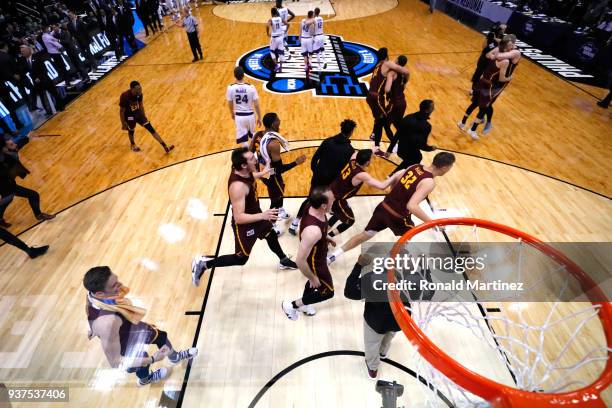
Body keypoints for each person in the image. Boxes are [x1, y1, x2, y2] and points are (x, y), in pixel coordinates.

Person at [191, 148, 298, 287]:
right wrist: (263, 215)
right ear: (243, 165)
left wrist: (263, 172)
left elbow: (251, 175)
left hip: (256, 214)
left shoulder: (243, 169)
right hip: (245, 223)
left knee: (270, 234)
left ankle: (283, 260)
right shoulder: (238, 187)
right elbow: (239, 218)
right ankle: (204, 264)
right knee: (241, 259)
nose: (255, 158)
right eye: (251, 158)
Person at [328, 152, 456, 264]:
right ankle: (387, 262)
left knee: (364, 234)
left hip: (383, 207)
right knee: (408, 235)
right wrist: (432, 223)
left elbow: (395, 180)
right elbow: (411, 206)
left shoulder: (415, 166)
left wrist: (394, 194)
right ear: (445, 167)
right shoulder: (429, 182)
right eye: (451, 167)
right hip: (397, 216)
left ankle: (333, 256)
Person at [83, 266, 198, 386]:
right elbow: (115, 362)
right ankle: (145, 380)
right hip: (123, 342)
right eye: (114, 285)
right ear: (100, 294)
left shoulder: (91, 294)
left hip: (129, 327)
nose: (120, 285)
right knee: (143, 361)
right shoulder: (108, 322)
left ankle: (175, 357)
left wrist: (91, 326)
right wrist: (153, 359)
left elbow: (88, 306)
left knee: (161, 336)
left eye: (117, 280)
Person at [344, 254, 414, 379]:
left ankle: (373, 367)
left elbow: (349, 291)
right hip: (399, 320)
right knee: (389, 335)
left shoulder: (371, 279)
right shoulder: (409, 279)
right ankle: (382, 353)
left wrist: (358, 265)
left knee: (372, 344)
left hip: (376, 321)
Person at [289, 119, 356, 235]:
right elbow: (345, 170)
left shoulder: (328, 141)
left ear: (341, 129)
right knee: (327, 202)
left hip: (318, 176)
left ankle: (294, 223)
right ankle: (321, 226)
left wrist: (316, 171)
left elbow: (315, 158)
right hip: (331, 182)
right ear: (351, 132)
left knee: (310, 199)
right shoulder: (349, 150)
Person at [281, 187, 335, 319]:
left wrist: (324, 237)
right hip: (315, 262)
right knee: (328, 292)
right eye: (332, 200)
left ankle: (305, 304)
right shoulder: (313, 232)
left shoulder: (311, 205)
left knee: (314, 284)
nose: (334, 201)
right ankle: (292, 305)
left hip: (318, 252)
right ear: (323, 206)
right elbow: (300, 261)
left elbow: (313, 232)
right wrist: (312, 277)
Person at [250, 112, 306, 235]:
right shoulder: (274, 143)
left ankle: (280, 210)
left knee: (279, 190)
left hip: (261, 170)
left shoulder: (258, 135)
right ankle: (271, 225)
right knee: (275, 198)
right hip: (271, 174)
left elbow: (250, 152)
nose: (279, 121)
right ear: (272, 123)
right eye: (277, 120)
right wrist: (296, 162)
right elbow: (279, 169)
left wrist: (255, 169)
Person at [328, 149, 404, 237]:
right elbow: (382, 186)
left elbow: (357, 153)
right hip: (337, 199)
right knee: (350, 220)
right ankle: (328, 237)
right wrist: (395, 174)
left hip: (332, 190)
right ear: (367, 162)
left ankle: (326, 229)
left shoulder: (353, 160)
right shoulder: (361, 175)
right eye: (371, 159)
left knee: (340, 214)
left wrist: (371, 150)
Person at [459, 35, 520, 139]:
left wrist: (494, 54)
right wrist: (510, 78)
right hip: (492, 84)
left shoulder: (501, 51)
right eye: (510, 45)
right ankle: (473, 129)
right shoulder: (504, 60)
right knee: (484, 107)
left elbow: (488, 54)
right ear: (506, 46)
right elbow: (501, 78)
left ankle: (463, 122)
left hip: (483, 80)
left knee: (475, 103)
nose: (511, 47)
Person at [0, 138, 55, 227]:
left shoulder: (8, 154)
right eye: (11, 144)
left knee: (7, 201)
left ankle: (0, 219)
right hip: (6, 187)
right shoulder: (4, 160)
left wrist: (27, 137)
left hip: (9, 185)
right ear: (4, 149)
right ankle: (39, 215)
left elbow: (18, 145)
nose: (14, 145)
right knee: (32, 195)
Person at [367, 48, 410, 150]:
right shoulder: (388, 65)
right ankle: (391, 144)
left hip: (372, 96)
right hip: (384, 98)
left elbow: (372, 81)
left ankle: (376, 138)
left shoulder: (377, 66)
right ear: (387, 55)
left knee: (380, 120)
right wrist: (407, 78)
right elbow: (406, 71)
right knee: (383, 122)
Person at [119, 81, 174, 153]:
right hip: (129, 116)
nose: (140, 90)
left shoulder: (139, 94)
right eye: (137, 89)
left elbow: (141, 105)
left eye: (140, 88)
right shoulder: (125, 96)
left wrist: (144, 116)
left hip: (137, 113)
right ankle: (133, 144)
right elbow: (121, 111)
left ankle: (165, 146)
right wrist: (123, 123)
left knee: (151, 128)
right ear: (132, 89)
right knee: (131, 129)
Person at [386, 100, 436, 174]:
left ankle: (394, 176)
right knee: (417, 158)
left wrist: (389, 150)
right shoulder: (426, 126)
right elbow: (422, 145)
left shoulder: (408, 117)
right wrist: (430, 148)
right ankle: (393, 176)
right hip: (411, 153)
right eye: (432, 107)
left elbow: (397, 134)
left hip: (401, 149)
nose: (434, 109)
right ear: (427, 110)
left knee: (410, 160)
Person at [227, 67, 261, 148]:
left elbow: (230, 103)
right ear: (243, 75)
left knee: (243, 140)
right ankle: (256, 154)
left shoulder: (231, 88)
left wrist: (232, 113)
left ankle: (248, 158)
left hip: (239, 116)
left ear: (234, 76)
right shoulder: (251, 87)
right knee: (252, 136)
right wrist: (259, 117)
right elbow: (256, 104)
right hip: (250, 116)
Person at [387, 55, 409, 132]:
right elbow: (403, 86)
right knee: (397, 124)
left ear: (397, 61)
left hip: (394, 102)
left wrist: (387, 94)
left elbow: (387, 89)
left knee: (385, 124)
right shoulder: (405, 73)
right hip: (402, 102)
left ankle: (393, 142)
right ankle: (404, 139)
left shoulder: (393, 73)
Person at [267, 8, 285, 73]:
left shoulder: (271, 20)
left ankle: (277, 65)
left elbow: (267, 26)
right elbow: (287, 23)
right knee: (280, 52)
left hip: (274, 38)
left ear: (272, 13)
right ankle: (281, 68)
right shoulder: (280, 18)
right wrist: (285, 31)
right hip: (280, 38)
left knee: (272, 51)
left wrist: (267, 33)